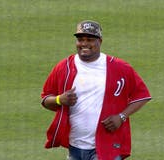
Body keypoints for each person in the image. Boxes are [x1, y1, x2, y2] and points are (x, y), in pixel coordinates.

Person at [41, 20, 152, 160]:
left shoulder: (120, 67)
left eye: (90, 39)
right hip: (74, 147)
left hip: (107, 146)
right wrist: (59, 99)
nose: (84, 44)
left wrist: (121, 117)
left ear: (100, 41)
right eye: (80, 39)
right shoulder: (64, 67)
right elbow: (45, 99)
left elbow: (142, 95)